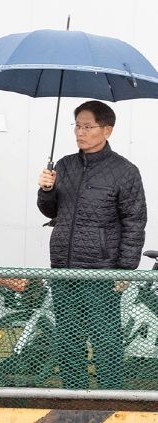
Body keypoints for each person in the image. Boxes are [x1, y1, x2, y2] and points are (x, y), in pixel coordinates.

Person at [37, 100, 147, 389]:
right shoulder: (64, 165)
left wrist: (125, 269)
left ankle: (111, 394)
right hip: (63, 267)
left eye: (87, 127)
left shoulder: (125, 171)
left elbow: (134, 221)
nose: (80, 132)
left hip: (102, 270)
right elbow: (51, 211)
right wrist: (46, 190)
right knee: (68, 335)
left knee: (105, 336)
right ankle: (73, 392)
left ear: (107, 130)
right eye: (77, 126)